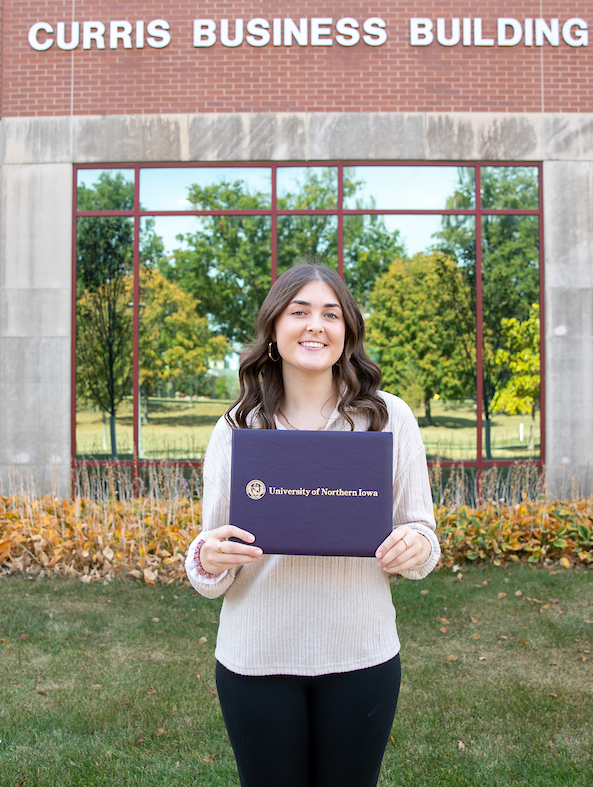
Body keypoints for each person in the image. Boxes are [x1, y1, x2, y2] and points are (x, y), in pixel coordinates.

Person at [185, 262, 440, 787]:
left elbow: (424, 533)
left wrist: (416, 546)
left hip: (361, 656)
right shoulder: (236, 428)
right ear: (274, 329)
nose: (315, 326)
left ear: (347, 331)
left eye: (330, 313)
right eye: (299, 312)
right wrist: (207, 559)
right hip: (256, 659)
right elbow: (209, 557)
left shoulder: (388, 418)